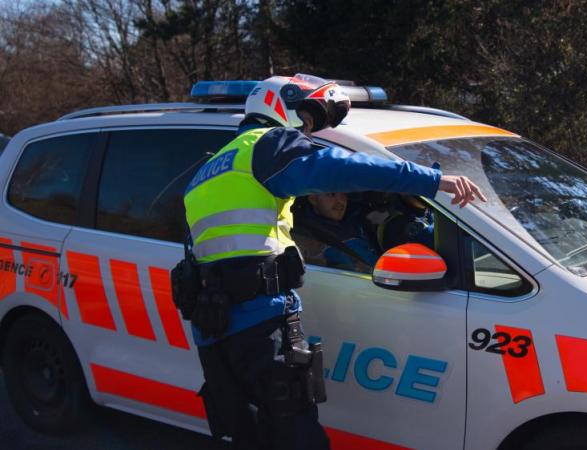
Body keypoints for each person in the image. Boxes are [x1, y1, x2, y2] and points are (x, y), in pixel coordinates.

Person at [175, 74, 486, 450]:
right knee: (295, 430)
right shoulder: (267, 145)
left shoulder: (206, 172)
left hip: (214, 327)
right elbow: (343, 168)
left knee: (249, 433)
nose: (307, 131)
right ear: (280, 104)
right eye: (306, 119)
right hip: (260, 321)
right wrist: (431, 180)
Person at [293, 192, 381, 271]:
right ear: (313, 199)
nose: (340, 201)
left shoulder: (359, 223)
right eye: (331, 194)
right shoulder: (302, 236)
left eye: (344, 194)